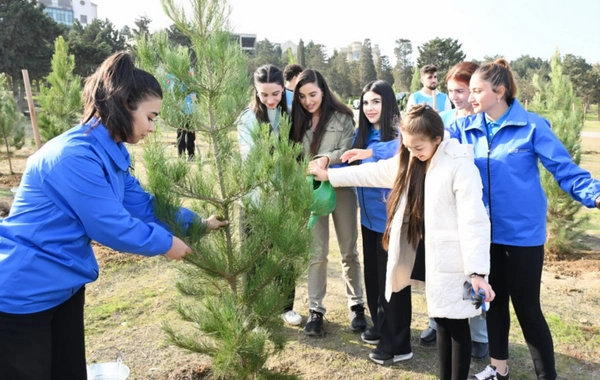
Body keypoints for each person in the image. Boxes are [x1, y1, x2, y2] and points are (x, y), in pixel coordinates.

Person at [0, 52, 228, 380]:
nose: (153, 128)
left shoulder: (109, 153)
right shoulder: (74, 157)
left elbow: (145, 207)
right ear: (123, 105)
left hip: (63, 287)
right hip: (24, 294)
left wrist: (198, 224)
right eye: (150, 117)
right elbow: (110, 225)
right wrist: (167, 244)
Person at [309, 104, 494, 378]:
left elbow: (474, 222)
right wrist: (330, 176)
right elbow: (371, 173)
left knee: (456, 324)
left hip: (454, 258)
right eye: (407, 146)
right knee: (442, 320)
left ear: (437, 139)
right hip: (429, 254)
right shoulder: (410, 160)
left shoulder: (459, 166)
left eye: (418, 147)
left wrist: (477, 272)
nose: (412, 152)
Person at [447, 59, 600, 380]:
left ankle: (547, 376)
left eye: (477, 90)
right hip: (484, 236)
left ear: (499, 91)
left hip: (523, 237)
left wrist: (594, 194)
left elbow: (565, 169)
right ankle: (498, 368)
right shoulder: (463, 128)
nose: (468, 97)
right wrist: (374, 154)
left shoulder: (532, 126)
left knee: (528, 310)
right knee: (494, 304)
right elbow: (419, 141)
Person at [338, 80, 413, 365]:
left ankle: (399, 344)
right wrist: (322, 166)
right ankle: (382, 327)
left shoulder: (399, 134)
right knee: (375, 278)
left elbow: (398, 152)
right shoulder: (362, 134)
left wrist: (370, 153)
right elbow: (347, 165)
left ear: (389, 103)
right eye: (365, 102)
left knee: (394, 282)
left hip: (392, 223)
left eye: (376, 102)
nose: (369, 108)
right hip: (368, 221)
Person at [420, 61, 490, 361]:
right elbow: (415, 143)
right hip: (443, 211)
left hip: (475, 208)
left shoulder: (484, 122)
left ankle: (479, 335)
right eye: (451, 91)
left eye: (461, 90)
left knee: (473, 273)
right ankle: (437, 322)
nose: (456, 97)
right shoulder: (444, 120)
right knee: (442, 271)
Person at [290, 69, 366, 336]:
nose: (308, 101)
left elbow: (348, 150)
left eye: (313, 94)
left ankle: (357, 306)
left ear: (323, 90)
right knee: (316, 253)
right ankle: (315, 310)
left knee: (349, 251)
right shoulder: (295, 121)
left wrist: (325, 159)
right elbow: (292, 155)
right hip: (311, 192)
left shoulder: (344, 117)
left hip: (341, 187)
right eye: (302, 97)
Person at [237, 64, 302, 326]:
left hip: (287, 195)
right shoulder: (247, 118)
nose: (271, 100)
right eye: (264, 95)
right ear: (256, 91)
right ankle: (253, 310)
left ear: (283, 87)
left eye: (275, 93)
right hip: (255, 197)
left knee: (284, 253)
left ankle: (286, 306)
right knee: (254, 256)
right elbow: (251, 161)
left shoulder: (294, 105)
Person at [177, 92, 197, 161]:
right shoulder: (178, 84)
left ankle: (191, 155)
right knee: (181, 136)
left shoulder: (192, 84)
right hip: (180, 113)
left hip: (191, 113)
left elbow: (195, 98)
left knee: (191, 137)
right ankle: (181, 156)